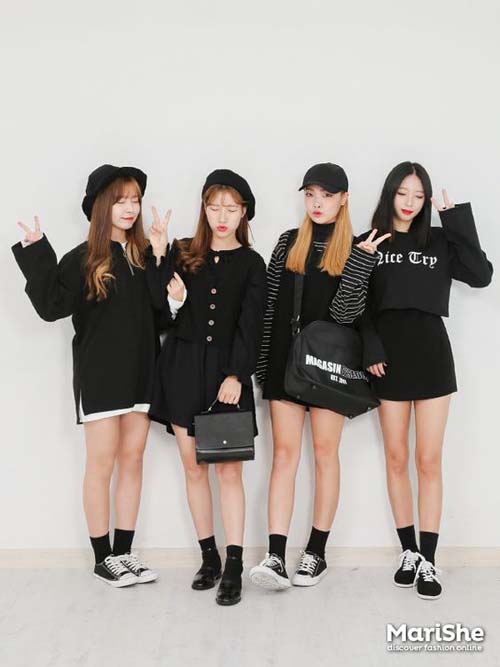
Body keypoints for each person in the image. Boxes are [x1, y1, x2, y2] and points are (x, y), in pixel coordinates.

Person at [12, 164, 164, 587]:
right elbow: (51, 307)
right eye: (120, 200)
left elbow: (162, 313)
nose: (130, 208)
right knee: (101, 463)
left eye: (135, 200)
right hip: (100, 374)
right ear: (101, 206)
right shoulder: (82, 258)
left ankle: (125, 552)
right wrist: (37, 252)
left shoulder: (144, 255)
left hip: (142, 371)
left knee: (133, 459)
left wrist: (161, 257)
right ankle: (103, 558)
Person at [250, 163, 388, 590]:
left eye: (326, 195)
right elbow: (270, 308)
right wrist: (263, 367)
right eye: (310, 194)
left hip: (329, 368)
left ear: (344, 199)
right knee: (284, 457)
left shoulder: (358, 248)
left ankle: (316, 553)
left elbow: (346, 315)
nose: (317, 203)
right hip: (285, 364)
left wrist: (361, 263)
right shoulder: (288, 242)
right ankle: (275, 555)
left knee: (326, 455)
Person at [360, 161, 493, 600]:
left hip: (432, 355)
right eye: (403, 193)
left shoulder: (438, 240)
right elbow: (357, 304)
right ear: (389, 194)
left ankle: (430, 560)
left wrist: (456, 221)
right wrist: (370, 347)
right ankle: (409, 551)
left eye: (419, 196)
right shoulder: (371, 241)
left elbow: (481, 275)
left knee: (428, 460)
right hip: (387, 359)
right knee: (397, 458)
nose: (410, 203)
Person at [148, 169, 267, 606]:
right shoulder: (182, 253)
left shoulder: (252, 263)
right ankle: (209, 557)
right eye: (214, 207)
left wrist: (236, 375)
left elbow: (252, 324)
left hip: (226, 375)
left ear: (244, 213)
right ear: (204, 208)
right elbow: (159, 314)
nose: (222, 216)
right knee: (193, 467)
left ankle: (234, 563)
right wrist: (159, 256)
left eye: (231, 209)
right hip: (182, 368)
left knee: (229, 470)